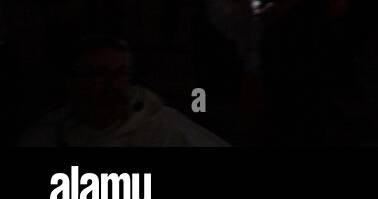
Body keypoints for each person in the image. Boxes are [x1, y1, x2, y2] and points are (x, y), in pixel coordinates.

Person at [20, 35, 227, 147]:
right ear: (73, 82)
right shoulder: (50, 134)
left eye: (120, 73)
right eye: (99, 74)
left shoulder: (163, 128)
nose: (112, 84)